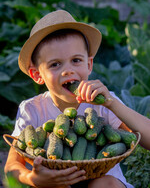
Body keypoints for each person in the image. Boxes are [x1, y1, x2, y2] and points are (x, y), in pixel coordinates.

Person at [4, 10, 150, 188]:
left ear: (89, 65)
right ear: (37, 75)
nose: (68, 70)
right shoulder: (32, 109)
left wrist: (112, 104)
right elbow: (12, 166)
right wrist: (33, 179)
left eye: (76, 60)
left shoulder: (104, 104)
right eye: (55, 64)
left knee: (105, 184)